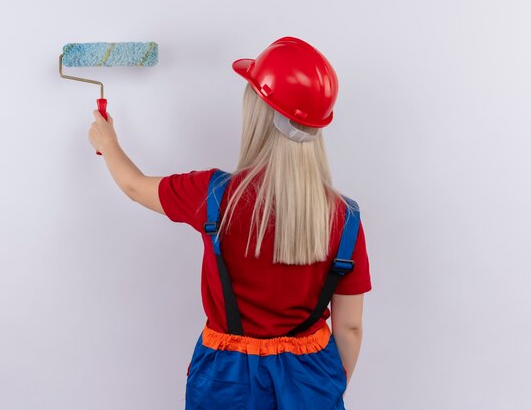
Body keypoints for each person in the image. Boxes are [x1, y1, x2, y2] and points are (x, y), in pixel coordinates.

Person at [88, 36, 372, 410]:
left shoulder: (212, 195)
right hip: (310, 377)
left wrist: (108, 143)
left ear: (257, 114)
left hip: (226, 379)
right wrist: (326, 385)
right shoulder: (344, 218)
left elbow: (135, 187)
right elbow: (349, 329)